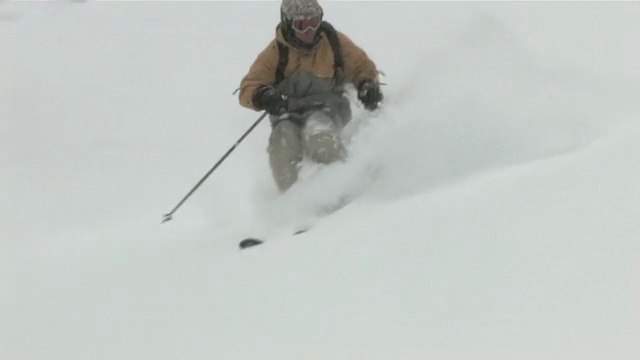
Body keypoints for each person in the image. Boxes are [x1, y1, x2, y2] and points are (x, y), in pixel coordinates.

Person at [238, 0, 383, 193]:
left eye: (314, 22)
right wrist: (264, 96)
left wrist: (366, 85)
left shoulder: (333, 42)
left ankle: (345, 189)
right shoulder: (276, 53)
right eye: (301, 25)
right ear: (288, 24)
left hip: (328, 106)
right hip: (288, 112)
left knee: (318, 135)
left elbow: (362, 67)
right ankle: (295, 203)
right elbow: (249, 87)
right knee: (282, 145)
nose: (310, 31)